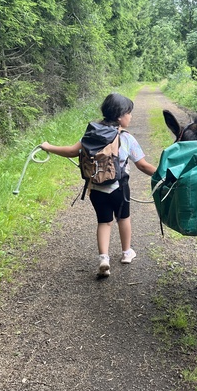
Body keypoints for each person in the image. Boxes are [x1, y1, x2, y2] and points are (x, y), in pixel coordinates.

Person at [41, 93, 156, 278]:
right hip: (120, 188)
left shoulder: (91, 134)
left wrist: (49, 147)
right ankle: (127, 253)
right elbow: (142, 165)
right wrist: (163, 175)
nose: (131, 116)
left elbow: (72, 151)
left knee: (104, 221)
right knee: (123, 218)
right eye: (129, 113)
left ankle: (104, 258)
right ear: (120, 116)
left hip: (95, 188)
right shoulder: (126, 137)